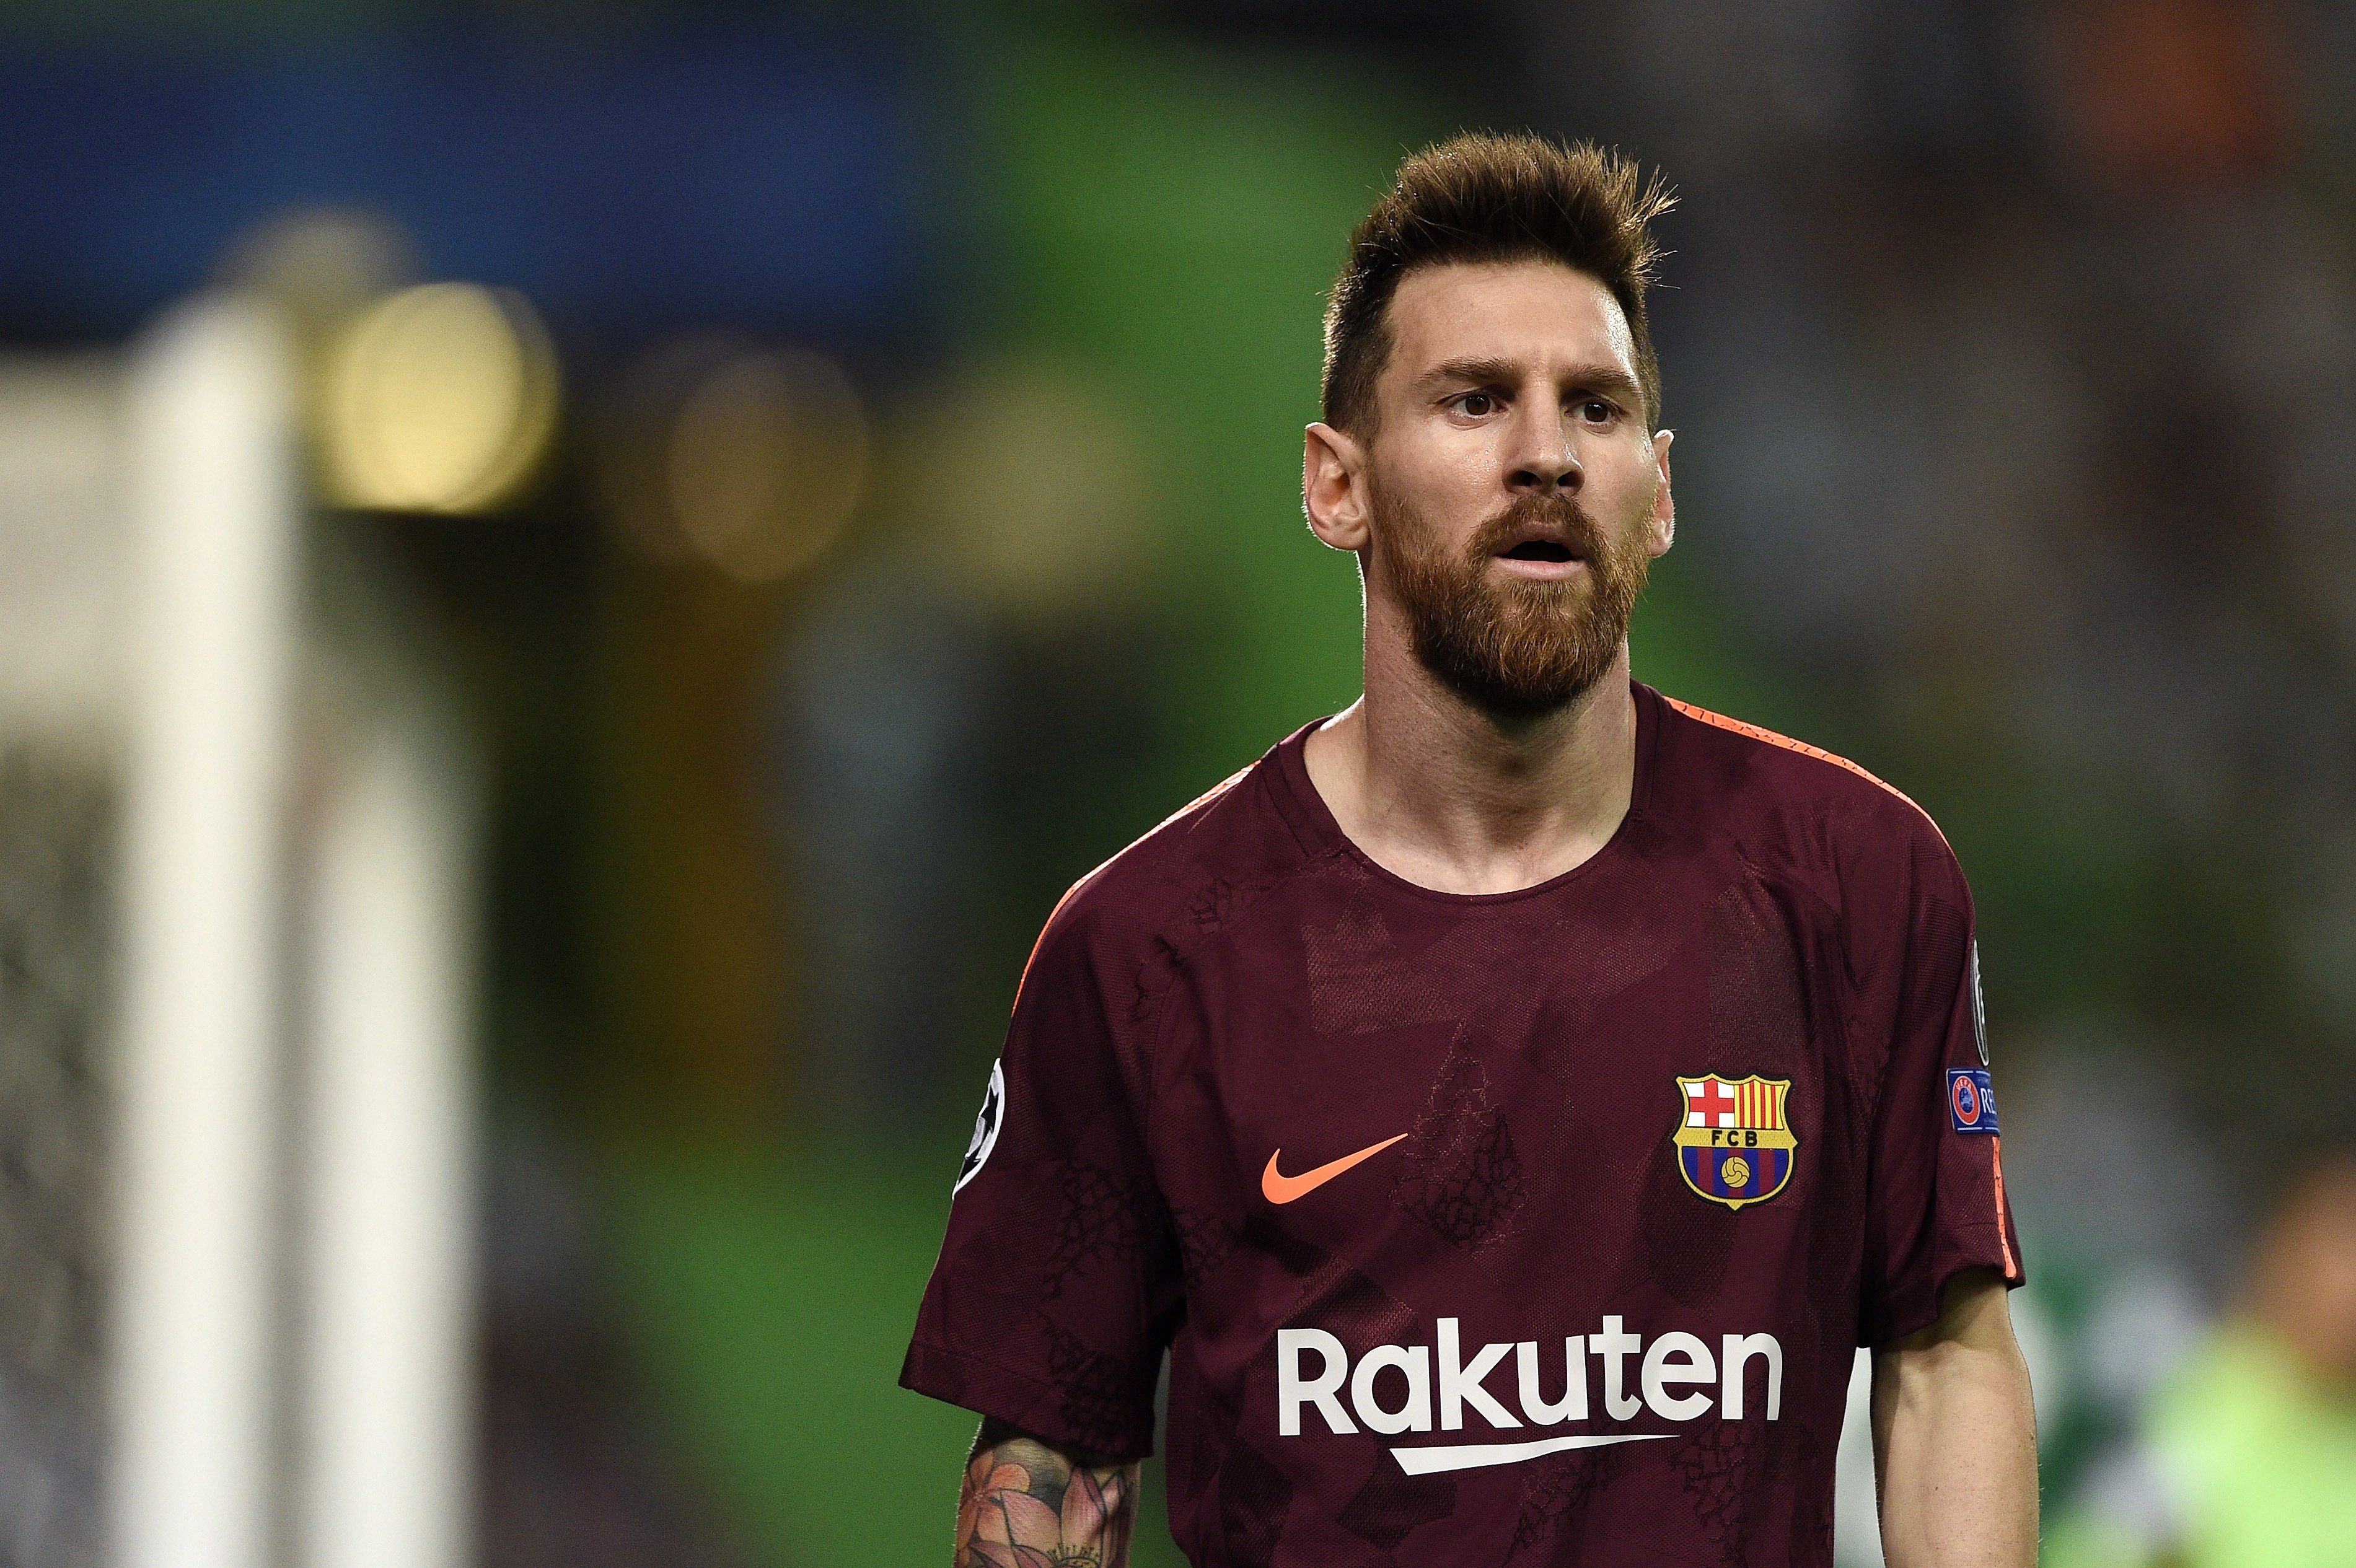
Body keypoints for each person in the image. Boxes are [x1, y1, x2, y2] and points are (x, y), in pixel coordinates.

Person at [901, 131, 2037, 1567]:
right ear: (1337, 486)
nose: (1547, 451)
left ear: (1663, 488)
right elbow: (1052, 1457)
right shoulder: (1148, 945)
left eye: (1598, 407)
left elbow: (1946, 1358)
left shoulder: (1855, 878)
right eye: (1475, 399)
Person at [2046, 1151, 2356, 1568]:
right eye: (2340, 1242)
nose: (2349, 1285)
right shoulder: (2173, 1385)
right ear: (2284, 1238)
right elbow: (2087, 1546)